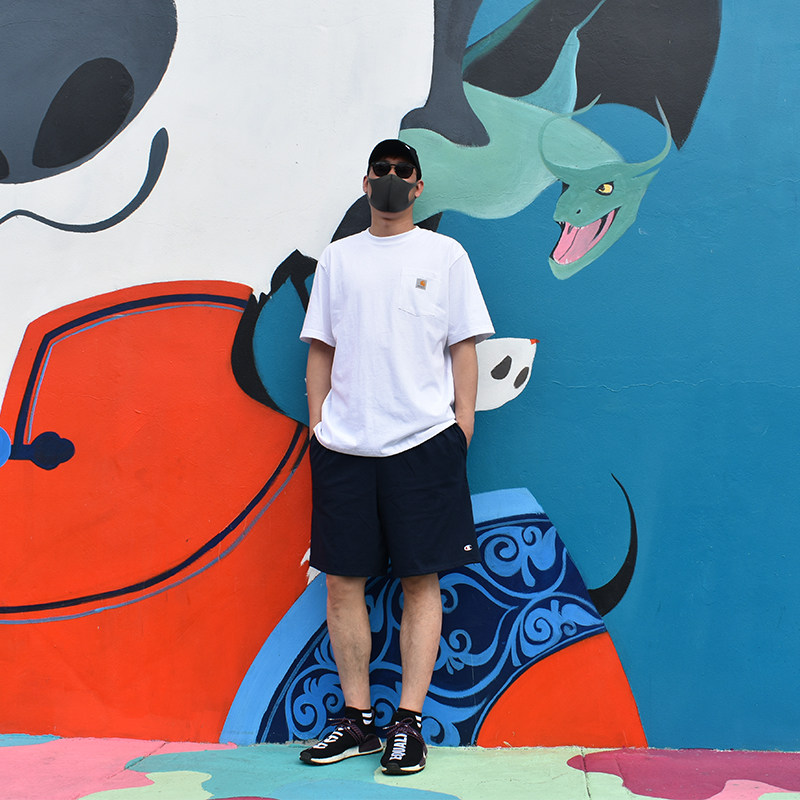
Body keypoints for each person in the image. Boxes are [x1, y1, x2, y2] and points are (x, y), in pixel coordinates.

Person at [298, 139, 494, 774]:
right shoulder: (338, 259)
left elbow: (464, 345)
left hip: (423, 444)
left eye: (401, 171)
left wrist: (462, 426)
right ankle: (357, 721)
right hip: (344, 447)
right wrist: (318, 426)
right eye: (380, 170)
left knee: (420, 580)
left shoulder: (445, 255)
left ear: (417, 185)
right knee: (342, 582)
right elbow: (320, 347)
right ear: (366, 183)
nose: (390, 179)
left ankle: (407, 724)